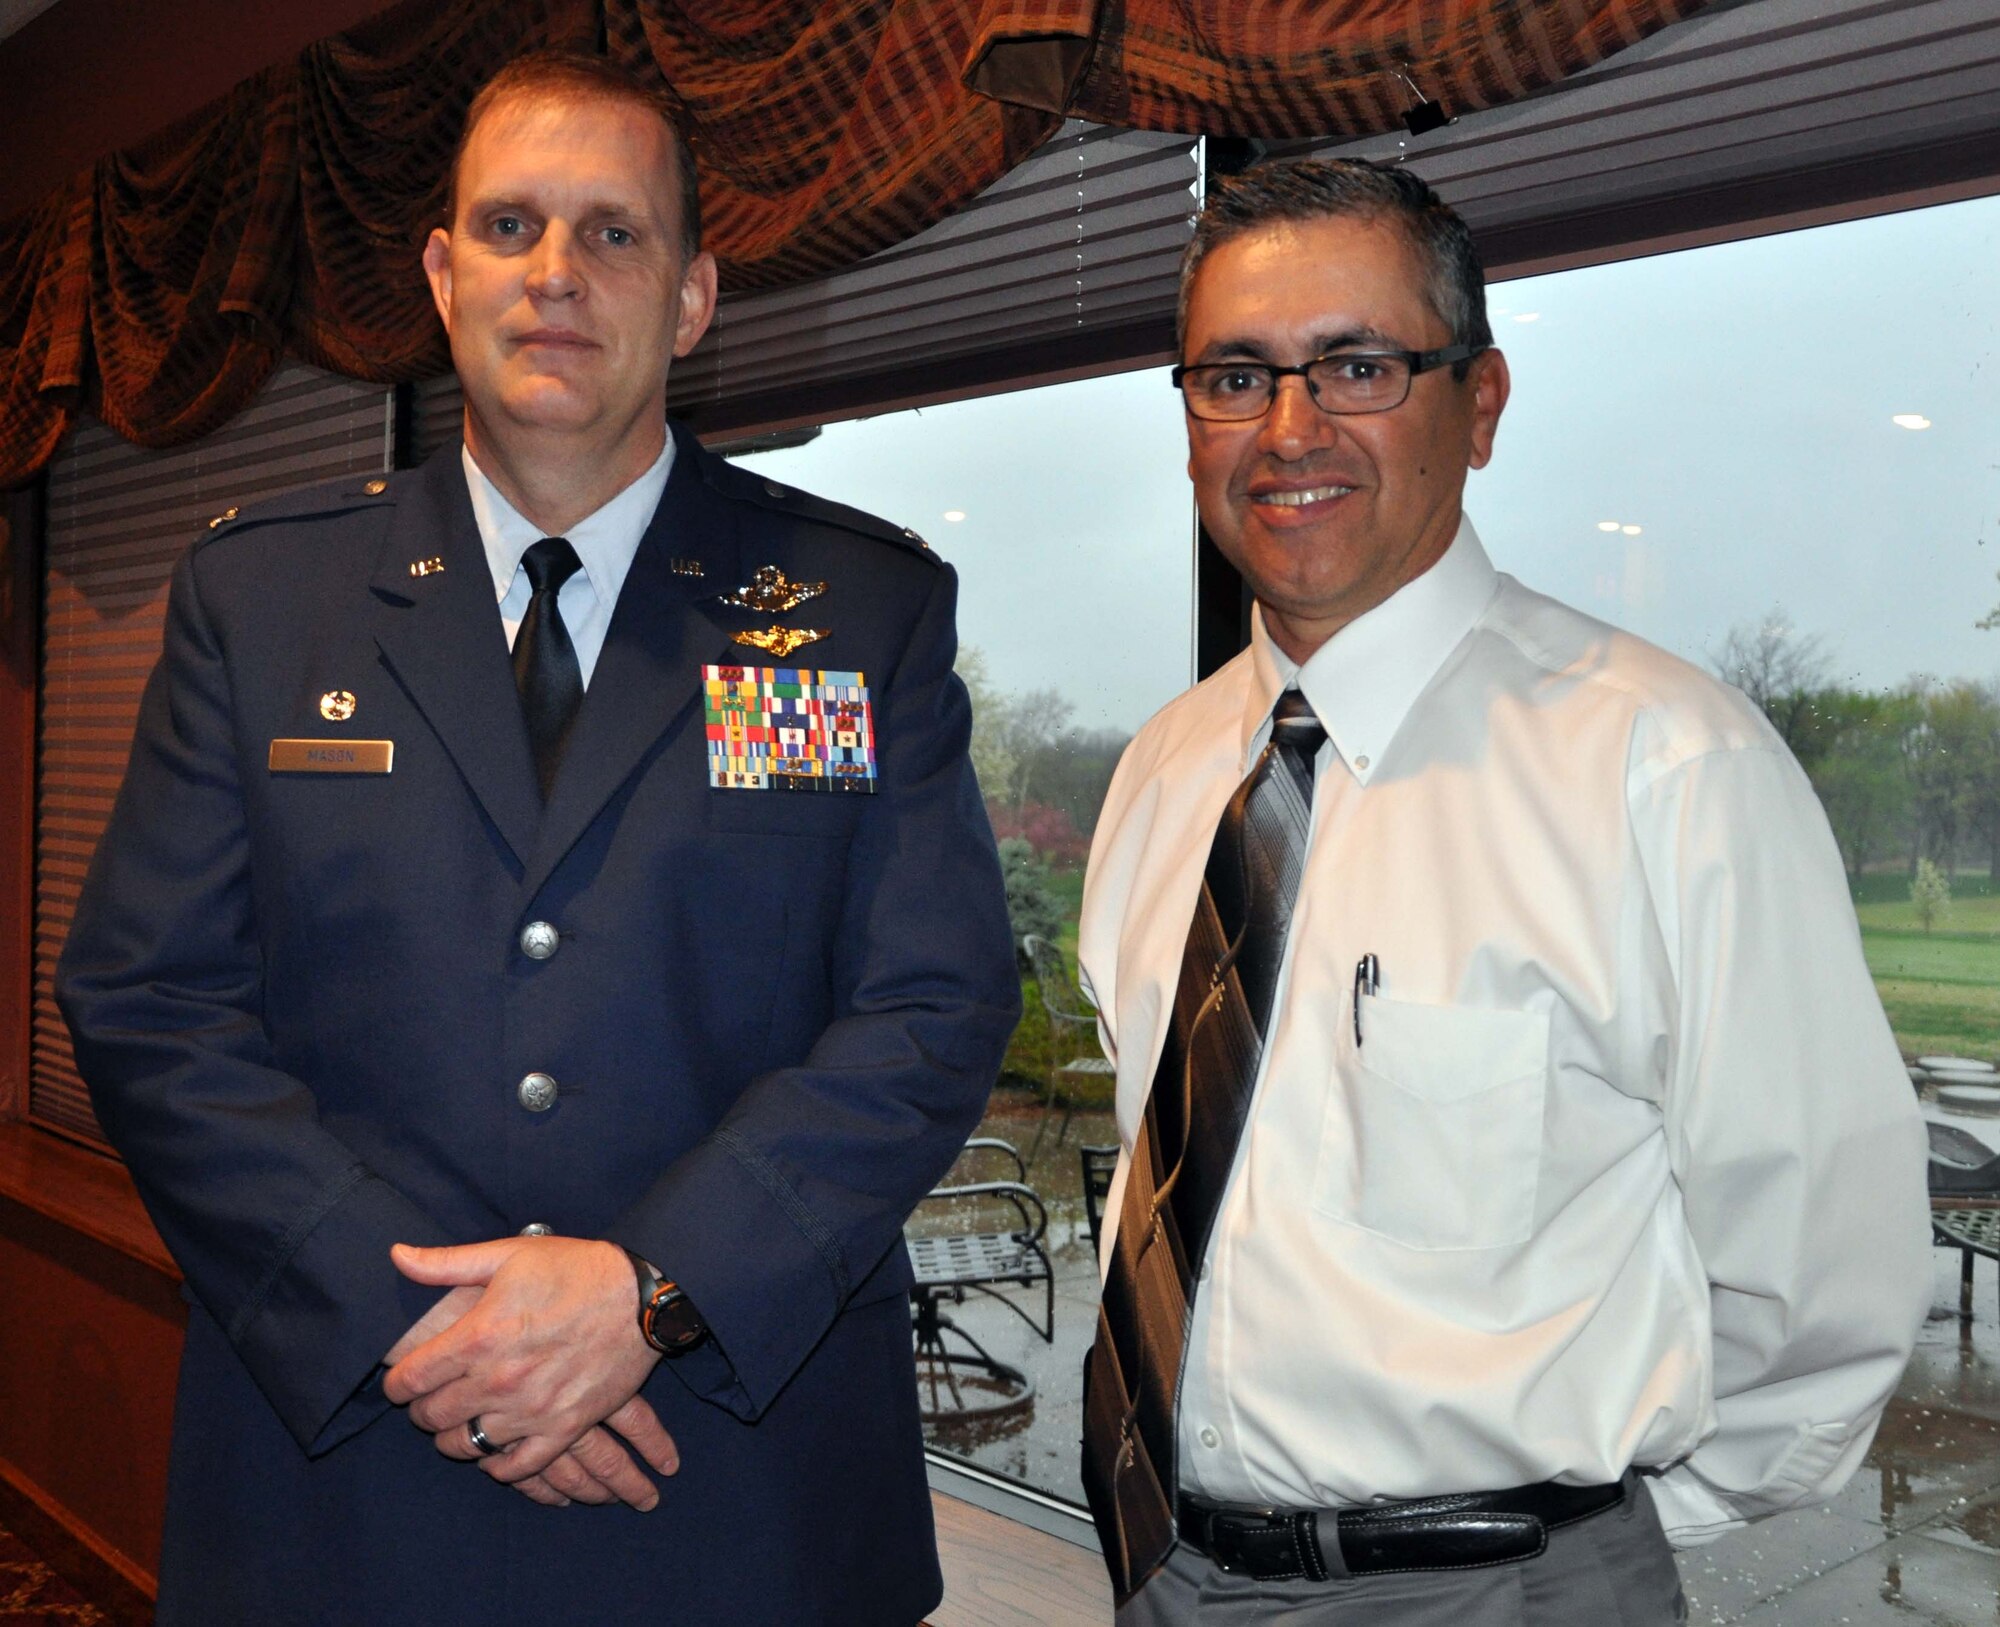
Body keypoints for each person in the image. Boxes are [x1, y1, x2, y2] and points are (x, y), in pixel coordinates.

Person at [56, 49, 1019, 1627]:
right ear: (443, 277)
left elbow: (933, 1007)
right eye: (510, 227)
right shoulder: (261, 600)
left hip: (733, 1473)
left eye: (614, 233)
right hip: (348, 1471)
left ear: (694, 294)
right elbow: (149, 1003)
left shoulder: (860, 608)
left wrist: (654, 1291)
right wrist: (423, 1332)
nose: (556, 275)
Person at [1075, 158, 1931, 1625]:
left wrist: (1576, 1533)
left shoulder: (1666, 767)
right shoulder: (1165, 773)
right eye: (1234, 376)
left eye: (1358, 365)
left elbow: (1821, 1279)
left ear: (1480, 405)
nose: (1290, 431)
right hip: (1166, 1577)